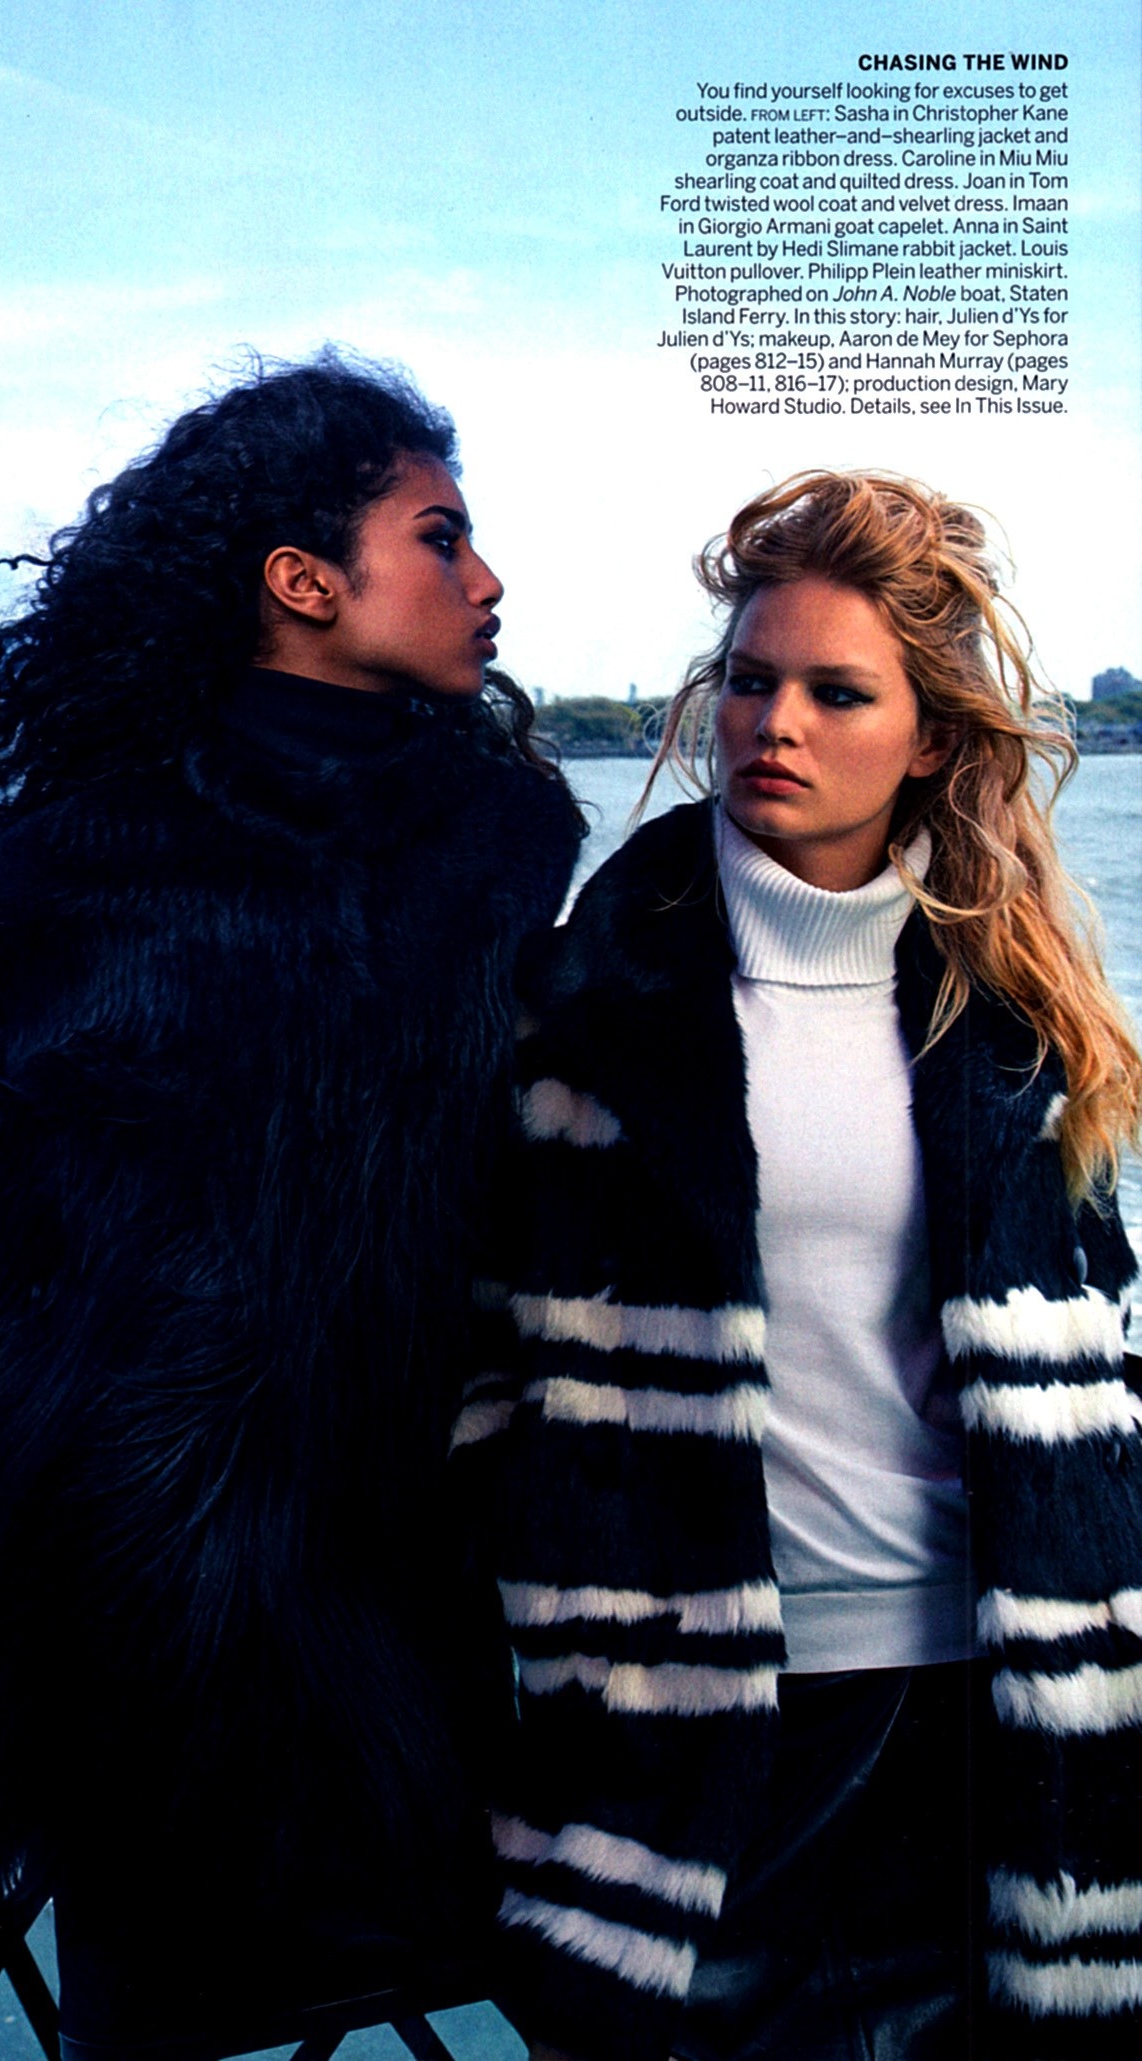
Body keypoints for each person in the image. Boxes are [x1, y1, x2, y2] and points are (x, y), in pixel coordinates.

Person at [0, 354, 585, 2052]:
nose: (487, 581)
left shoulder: (502, 841)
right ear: (303, 580)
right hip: (143, 1609)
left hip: (430, 1574)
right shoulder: (86, 851)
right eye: (441, 539)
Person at [472, 472, 1142, 2061]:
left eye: (837, 693)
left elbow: (1096, 1367)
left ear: (931, 740)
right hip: (687, 1728)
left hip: (992, 1716)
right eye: (750, 679)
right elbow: (478, 1353)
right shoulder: (579, 1006)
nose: (773, 723)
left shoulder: (1009, 1021)